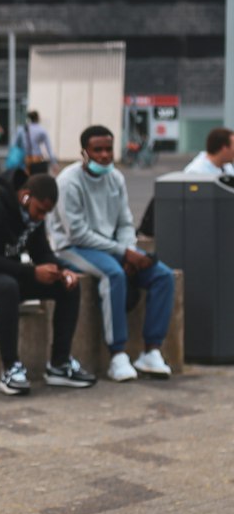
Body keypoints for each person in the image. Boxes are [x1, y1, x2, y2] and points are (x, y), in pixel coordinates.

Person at [0, 168, 95, 396]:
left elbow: (42, 254)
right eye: (39, 210)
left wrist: (63, 270)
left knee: (67, 287)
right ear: (25, 195)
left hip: (7, 276)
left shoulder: (34, 219)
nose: (41, 217)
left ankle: (59, 364)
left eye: (46, 213)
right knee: (7, 287)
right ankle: (10, 368)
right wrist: (32, 273)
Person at [48, 124, 175, 382]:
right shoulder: (68, 182)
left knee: (162, 275)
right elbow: (78, 234)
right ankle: (117, 355)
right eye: (98, 150)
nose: (105, 155)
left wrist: (128, 249)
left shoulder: (115, 177)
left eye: (108, 149)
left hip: (111, 246)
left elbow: (126, 222)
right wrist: (123, 254)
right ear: (84, 152)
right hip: (73, 248)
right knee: (113, 275)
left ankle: (151, 351)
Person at [13, 110, 58, 175]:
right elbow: (49, 148)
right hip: (37, 158)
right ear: (38, 118)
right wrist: (54, 162)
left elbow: (16, 144)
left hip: (26, 158)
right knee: (37, 178)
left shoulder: (22, 129)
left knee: (27, 178)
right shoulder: (42, 130)